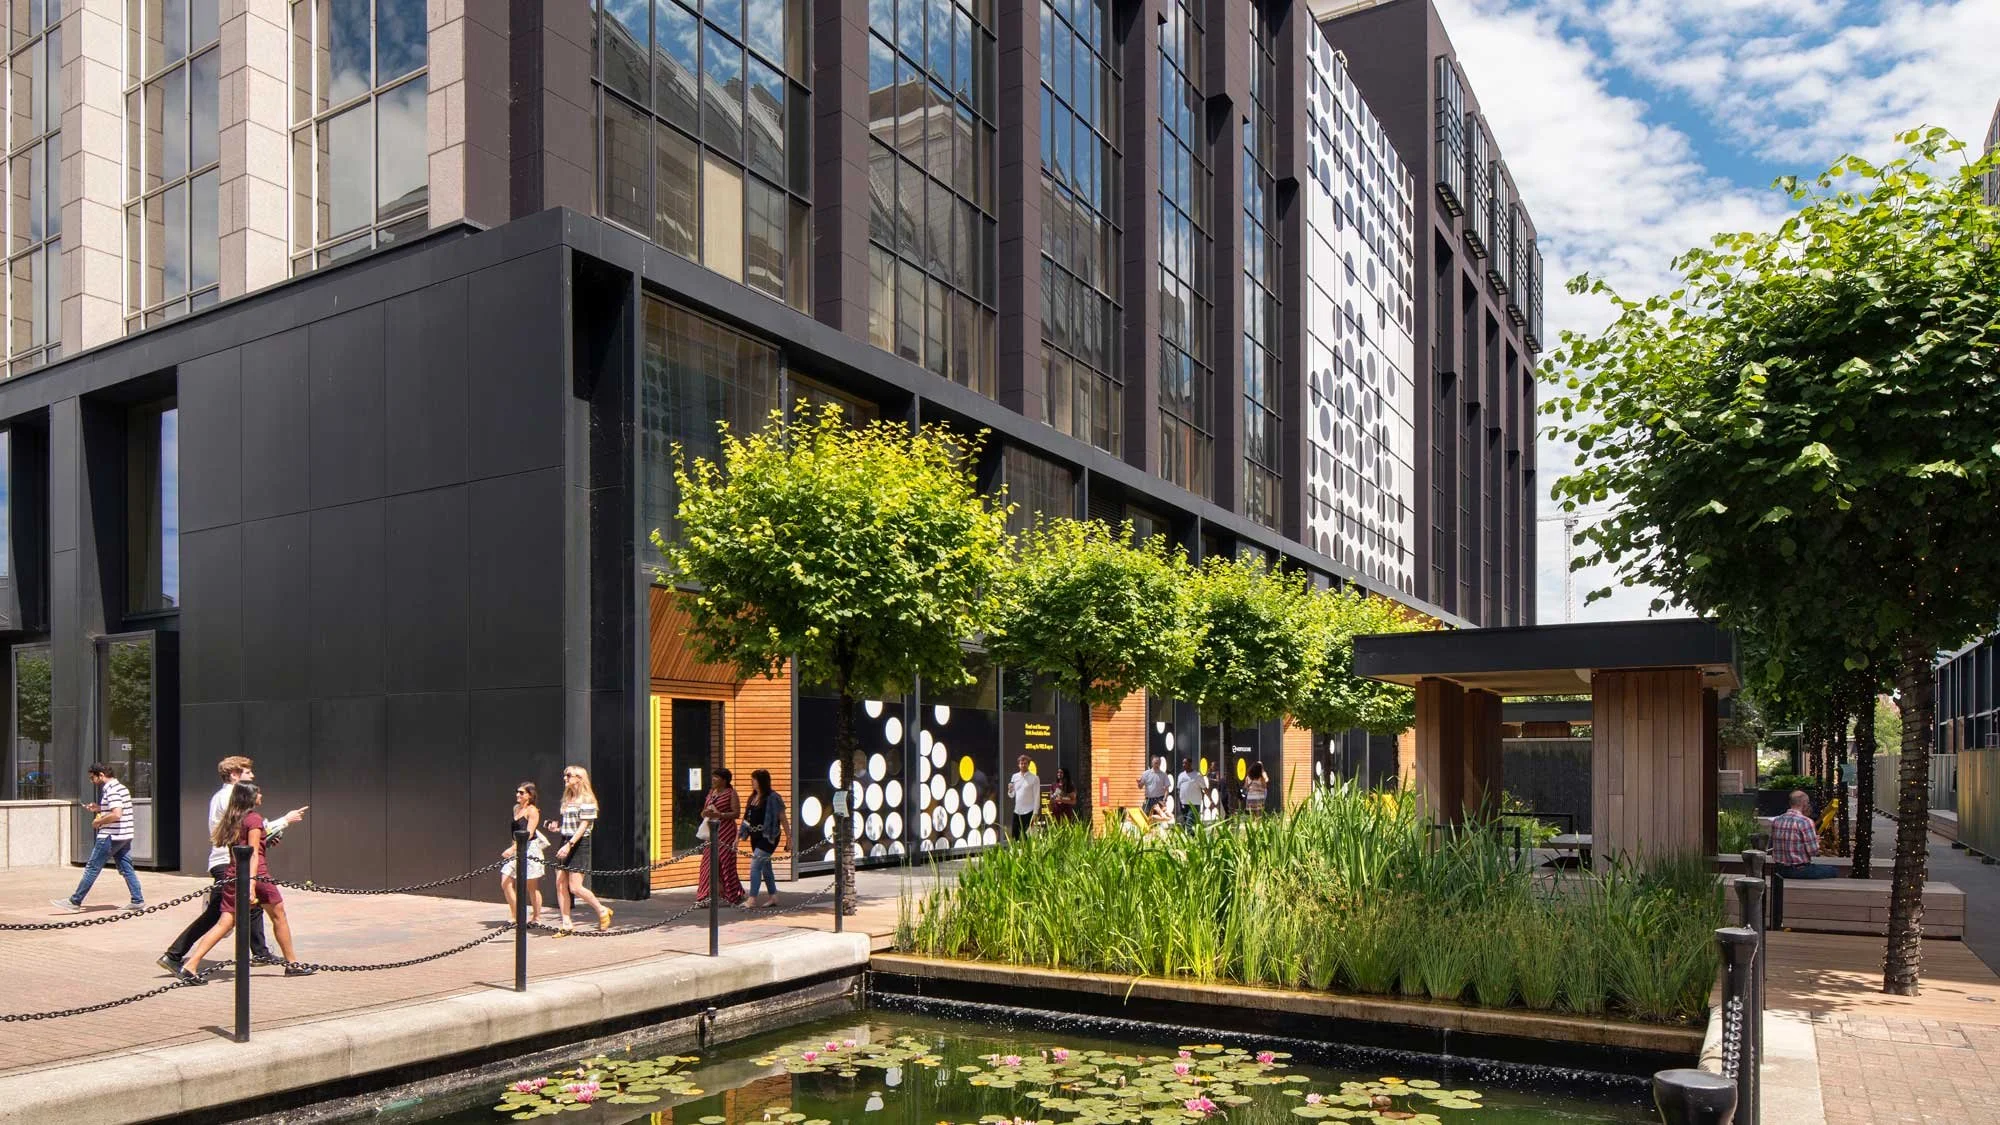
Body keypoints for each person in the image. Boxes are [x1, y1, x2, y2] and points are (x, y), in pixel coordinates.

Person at [159, 757, 305, 974]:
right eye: (247, 774)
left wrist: (264, 837)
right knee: (220, 915)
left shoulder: (224, 800)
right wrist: (285, 819)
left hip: (231, 866)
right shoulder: (233, 800)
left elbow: (242, 836)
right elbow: (252, 840)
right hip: (235, 866)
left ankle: (259, 952)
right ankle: (175, 954)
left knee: (241, 913)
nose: (252, 777)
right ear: (235, 776)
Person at [53, 763, 146, 913]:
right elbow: (116, 809)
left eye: (92, 778)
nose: (92, 781)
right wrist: (100, 808)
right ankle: (137, 900)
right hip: (124, 835)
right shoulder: (121, 788)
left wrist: (98, 822)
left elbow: (117, 814)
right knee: (126, 868)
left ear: (101, 775)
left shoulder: (111, 790)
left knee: (92, 868)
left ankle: (75, 901)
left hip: (110, 836)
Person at [544, 766, 613, 932]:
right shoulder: (568, 798)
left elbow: (583, 827)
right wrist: (556, 828)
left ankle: (602, 910)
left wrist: (569, 845)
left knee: (575, 887)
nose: (565, 778)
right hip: (566, 840)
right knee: (560, 883)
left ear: (579, 778)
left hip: (579, 843)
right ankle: (566, 923)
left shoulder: (587, 799)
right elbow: (570, 826)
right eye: (564, 775)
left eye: (568, 775)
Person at [696, 768, 747, 907]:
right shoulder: (711, 793)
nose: (713, 779)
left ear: (724, 780)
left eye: (716, 777)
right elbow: (703, 813)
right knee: (707, 864)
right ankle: (703, 896)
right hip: (711, 832)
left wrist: (720, 815)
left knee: (725, 863)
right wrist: (705, 813)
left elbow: (736, 813)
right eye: (713, 777)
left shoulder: (731, 793)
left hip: (726, 832)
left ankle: (733, 894)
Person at [501, 782, 548, 924]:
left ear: (529, 795)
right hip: (515, 848)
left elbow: (529, 833)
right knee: (505, 881)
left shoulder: (532, 811)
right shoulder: (516, 808)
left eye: (521, 793)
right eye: (517, 792)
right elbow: (514, 832)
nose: (518, 795)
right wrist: (513, 847)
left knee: (531, 887)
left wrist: (513, 849)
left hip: (529, 849)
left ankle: (536, 917)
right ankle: (517, 915)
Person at [741, 769, 785, 908]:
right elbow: (746, 819)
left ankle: (752, 899)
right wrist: (740, 835)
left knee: (755, 866)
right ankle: (773, 896)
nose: (752, 782)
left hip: (769, 836)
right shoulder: (752, 797)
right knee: (766, 868)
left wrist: (790, 838)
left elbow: (782, 818)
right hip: (755, 836)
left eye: (754, 779)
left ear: (762, 781)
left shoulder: (773, 797)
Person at [1770, 790, 1836, 878]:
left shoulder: (1777, 820)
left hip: (1779, 870)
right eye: (1808, 803)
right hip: (1799, 870)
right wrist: (1815, 842)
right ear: (1804, 803)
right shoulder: (1805, 822)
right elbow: (1813, 852)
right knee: (1833, 871)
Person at [1008, 755, 1040, 839]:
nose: (1023, 765)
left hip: (1029, 812)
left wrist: (1035, 813)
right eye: (1021, 763)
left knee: (1028, 838)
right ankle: (1016, 852)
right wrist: (1010, 790)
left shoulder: (1034, 778)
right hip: (1017, 811)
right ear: (1018, 765)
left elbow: (1037, 796)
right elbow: (1012, 795)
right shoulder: (1014, 777)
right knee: (1015, 837)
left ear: (1029, 764)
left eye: (1025, 763)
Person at [1175, 757, 1208, 829]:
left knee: (1189, 823)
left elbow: (1204, 788)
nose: (1183, 765)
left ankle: (1191, 838)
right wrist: (1179, 801)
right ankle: (1191, 838)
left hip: (1194, 804)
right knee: (1185, 821)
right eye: (1183, 763)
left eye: (1185, 763)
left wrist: (1210, 799)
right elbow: (1179, 789)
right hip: (1183, 803)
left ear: (1190, 764)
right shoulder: (1181, 775)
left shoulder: (1197, 775)